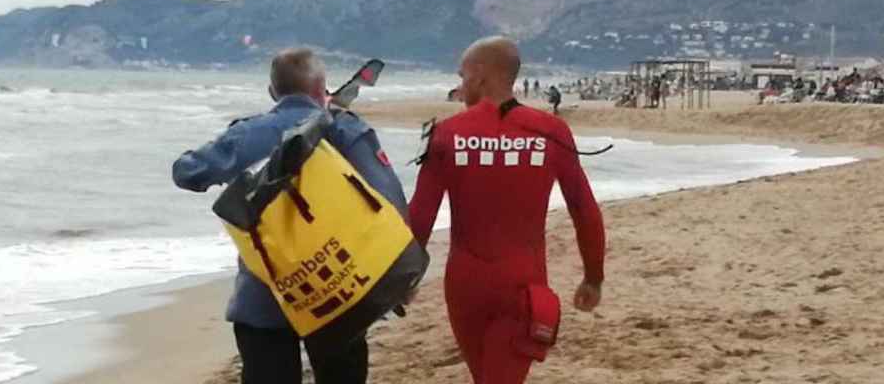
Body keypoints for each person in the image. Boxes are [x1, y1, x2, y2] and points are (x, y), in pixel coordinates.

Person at [172, 49, 404, 384]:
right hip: (340, 287)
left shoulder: (248, 133)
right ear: (321, 87)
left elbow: (187, 173)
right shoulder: (346, 129)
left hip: (267, 293)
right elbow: (390, 200)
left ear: (272, 92)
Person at [408, 37, 606, 384]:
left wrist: (405, 278)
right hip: (522, 284)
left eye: (463, 75)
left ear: (481, 76)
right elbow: (583, 208)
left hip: (465, 284)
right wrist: (593, 276)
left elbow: (421, 215)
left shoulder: (447, 134)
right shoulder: (551, 131)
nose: (460, 85)